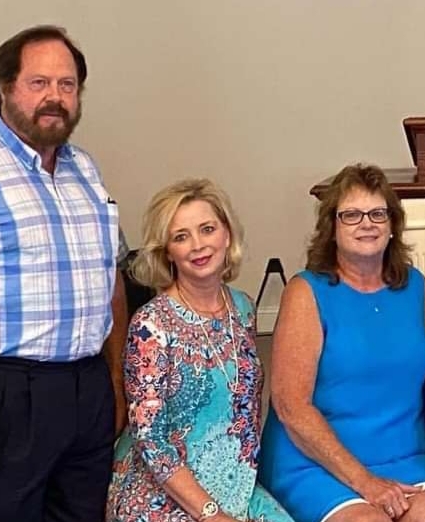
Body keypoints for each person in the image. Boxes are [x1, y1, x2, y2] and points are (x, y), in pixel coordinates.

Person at [0, 25, 124, 522]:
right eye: (39, 83)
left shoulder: (86, 171)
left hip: (87, 390)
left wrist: (114, 380)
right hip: (1, 397)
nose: (55, 96)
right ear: (4, 88)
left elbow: (111, 276)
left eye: (67, 84)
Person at [259, 164, 425, 522]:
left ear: (392, 225)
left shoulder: (414, 286)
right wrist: (365, 482)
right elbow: (291, 407)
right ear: (331, 228)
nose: (367, 224)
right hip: (316, 460)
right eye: (351, 215)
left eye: (378, 213)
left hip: (403, 453)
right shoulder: (305, 291)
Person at [106, 179, 291, 522]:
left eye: (207, 229)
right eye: (181, 236)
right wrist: (211, 514)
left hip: (235, 484)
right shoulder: (151, 325)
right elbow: (150, 440)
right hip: (161, 493)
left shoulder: (244, 309)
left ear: (227, 235)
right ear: (167, 251)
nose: (197, 245)